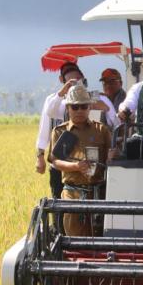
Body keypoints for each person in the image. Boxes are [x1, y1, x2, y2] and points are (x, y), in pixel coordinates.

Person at [48, 84, 112, 236]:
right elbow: (55, 161)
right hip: (72, 193)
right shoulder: (60, 132)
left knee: (100, 238)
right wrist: (76, 166)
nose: (79, 111)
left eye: (83, 107)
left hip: (98, 193)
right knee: (74, 240)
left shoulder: (101, 130)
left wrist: (112, 157)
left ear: (89, 107)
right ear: (68, 108)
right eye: (75, 107)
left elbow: (110, 161)